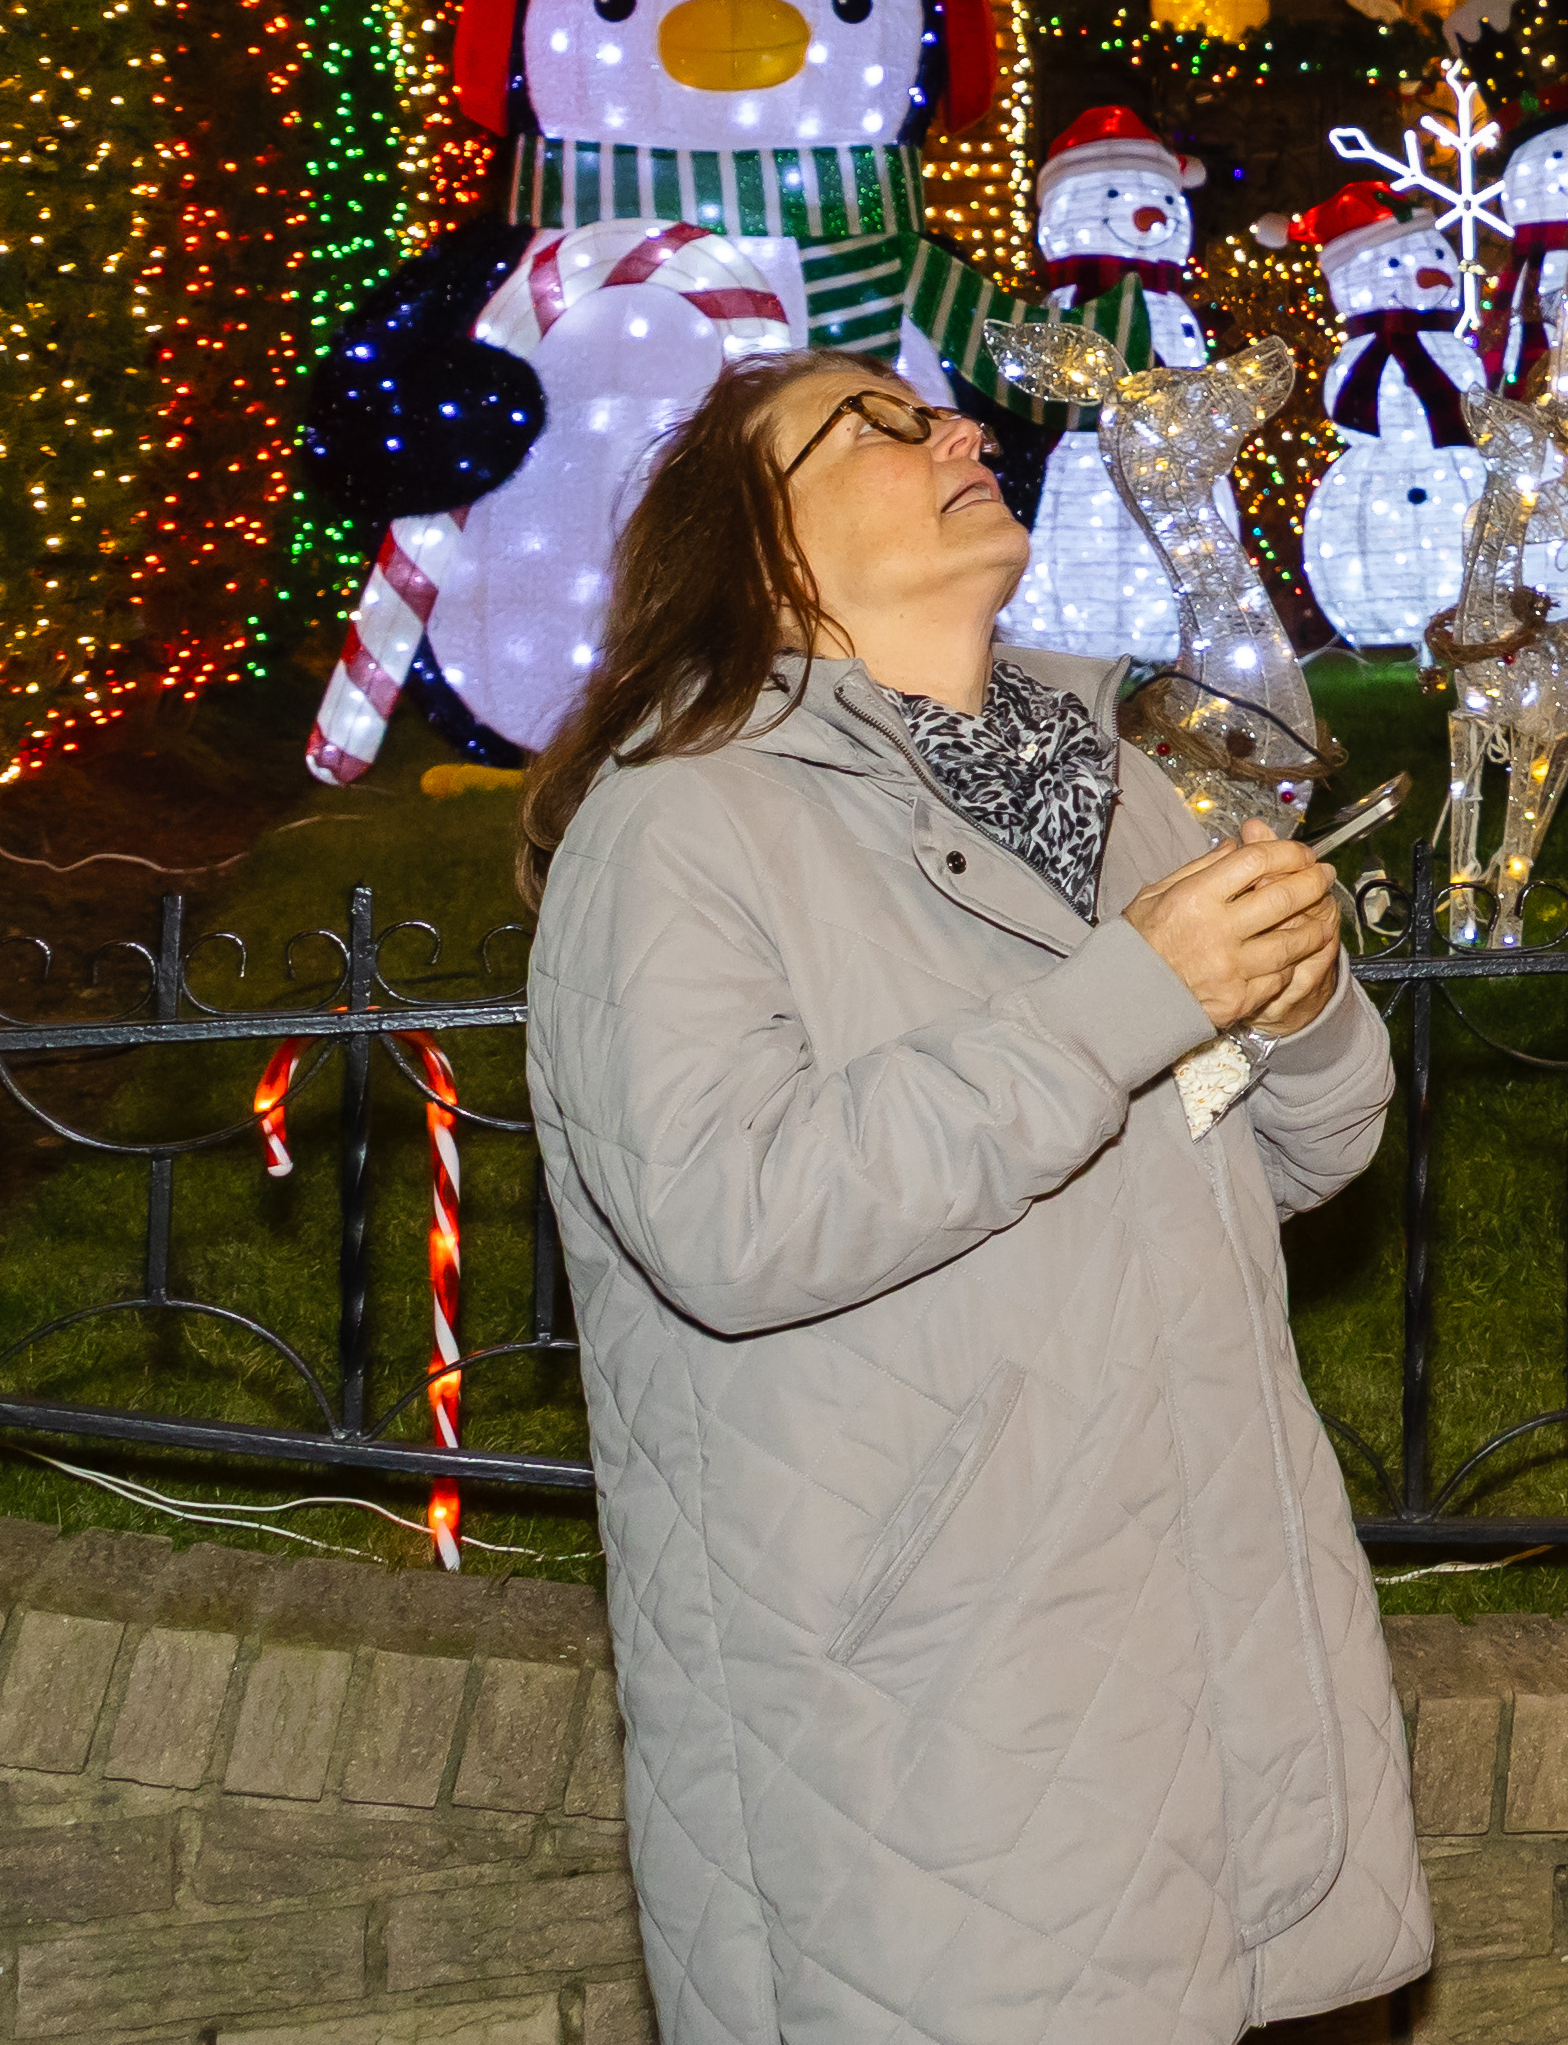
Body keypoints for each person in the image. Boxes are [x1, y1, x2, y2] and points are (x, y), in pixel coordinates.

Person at [518, 347, 1428, 2045]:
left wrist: (1302, 1013)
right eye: (874, 425)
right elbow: (736, 1217)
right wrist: (1130, 997)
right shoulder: (676, 832)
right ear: (758, 549)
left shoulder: (1116, 781)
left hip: (1221, 1649)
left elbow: (1313, 1150)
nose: (955, 430)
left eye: (939, 411)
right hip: (941, 1707)